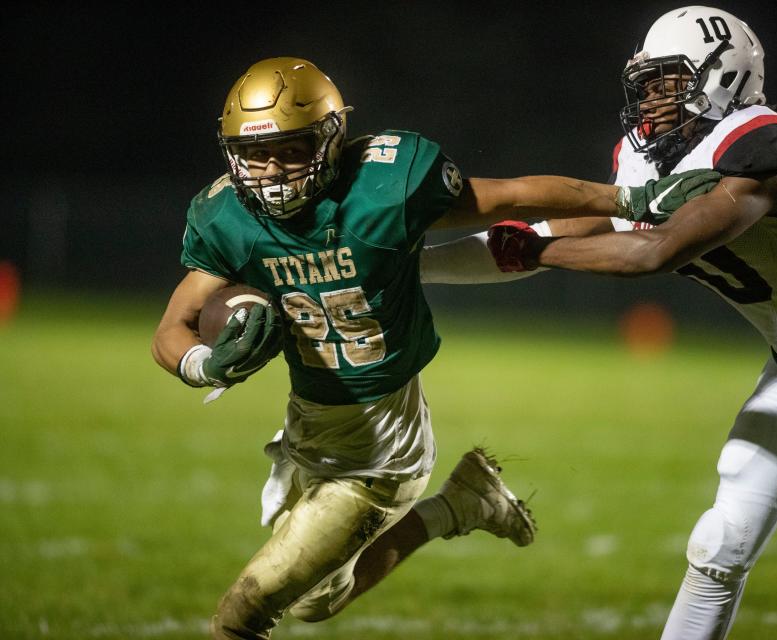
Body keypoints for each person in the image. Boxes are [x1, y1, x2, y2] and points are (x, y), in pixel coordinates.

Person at [478, 5, 777, 638]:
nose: (650, 100)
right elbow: (596, 221)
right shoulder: (654, 160)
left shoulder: (761, 149)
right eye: (645, 83)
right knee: (717, 548)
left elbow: (655, 250)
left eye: (667, 82)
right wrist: (424, 262)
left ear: (723, 78)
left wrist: (532, 250)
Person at [150, 57, 626, 639]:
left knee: (241, 616)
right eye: (255, 154)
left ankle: (443, 502)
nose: (270, 170)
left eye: (291, 151)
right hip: (309, 430)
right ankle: (460, 504)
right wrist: (204, 363)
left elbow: (517, 197)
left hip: (381, 450)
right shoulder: (227, 216)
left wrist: (629, 199)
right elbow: (172, 327)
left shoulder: (383, 188)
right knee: (317, 601)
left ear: (329, 142)